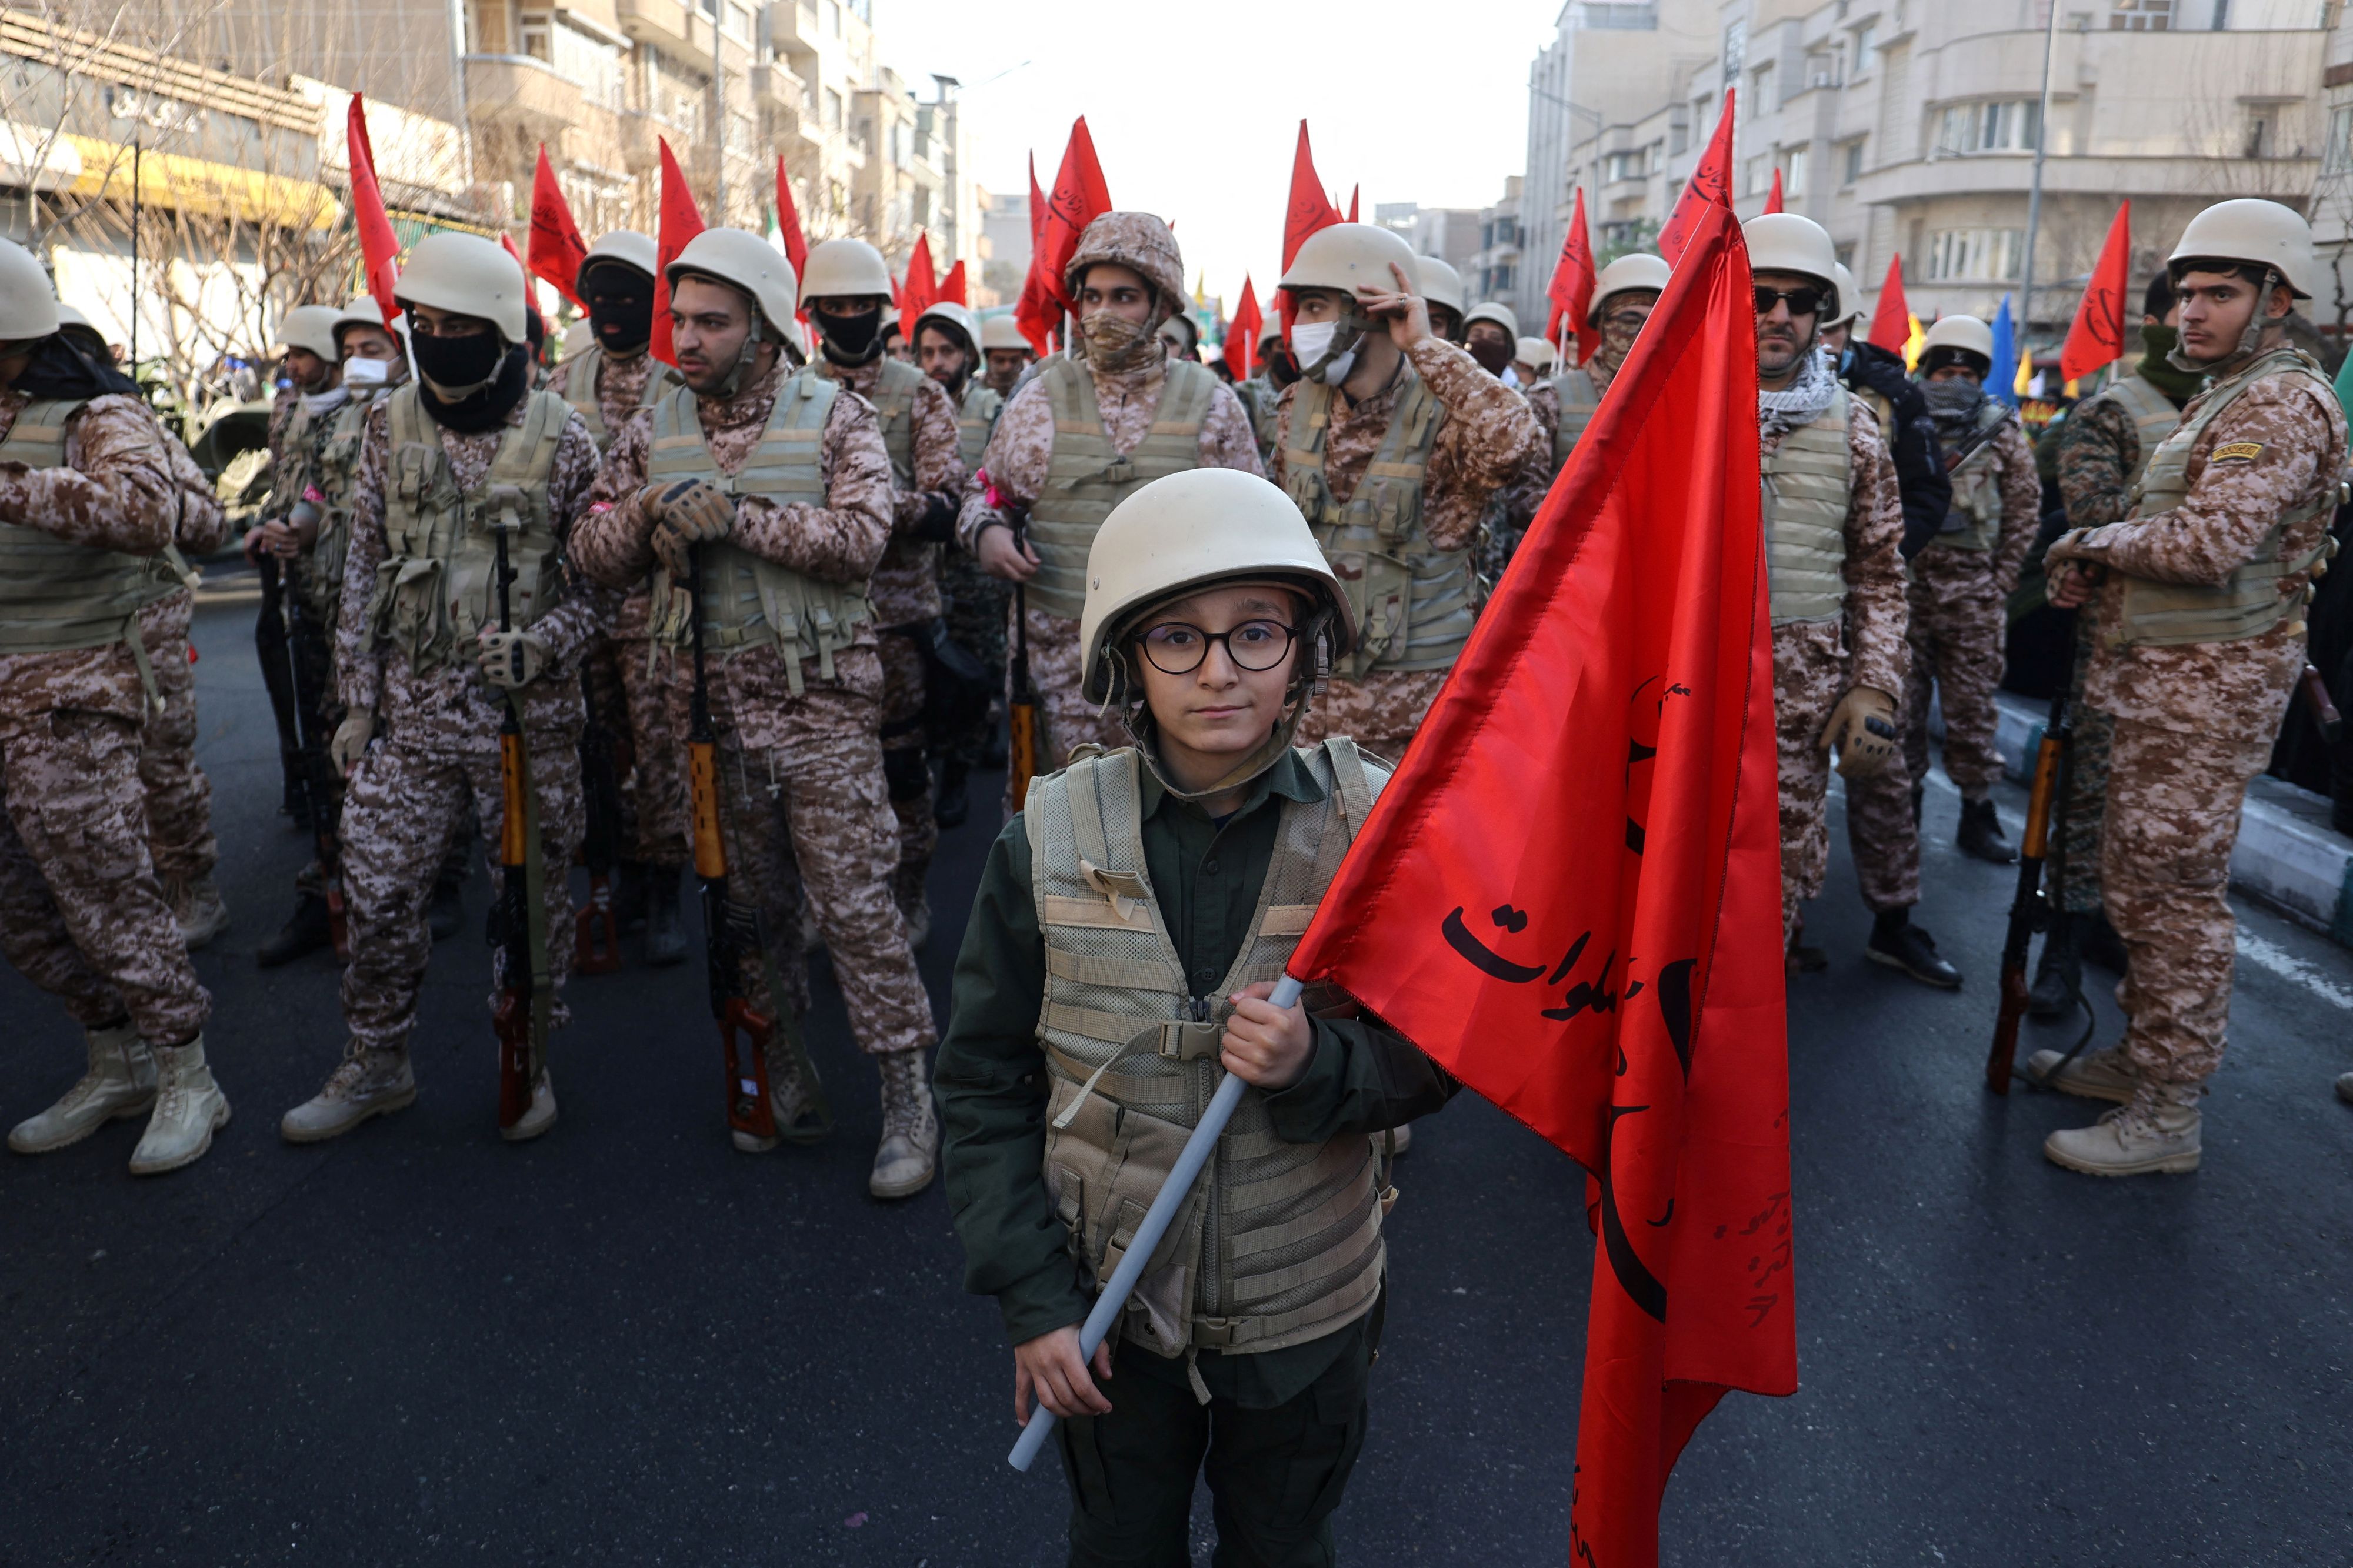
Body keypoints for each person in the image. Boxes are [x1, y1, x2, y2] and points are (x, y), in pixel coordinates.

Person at [936, 466, 1455, 1567]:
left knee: (1285, 1543)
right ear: (1126, 660)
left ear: (1304, 648)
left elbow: (1437, 1049)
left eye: (1255, 633)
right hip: (1109, 1323)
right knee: (1121, 1543)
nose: (1219, 671)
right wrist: (1034, 1301)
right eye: (1178, 638)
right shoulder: (1050, 836)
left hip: (1304, 1312)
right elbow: (981, 1083)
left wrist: (1322, 1061)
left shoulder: (1377, 824)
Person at [571, 228, 941, 1195]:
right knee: (755, 913)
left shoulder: (835, 417)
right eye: (680, 320)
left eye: (711, 322)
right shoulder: (653, 427)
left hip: (820, 714)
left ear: (766, 327)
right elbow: (589, 550)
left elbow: (867, 538)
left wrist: (737, 519)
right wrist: (646, 516)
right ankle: (782, 1067)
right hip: (714, 721)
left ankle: (908, 1094)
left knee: (857, 910)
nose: (685, 340)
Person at [2040, 199, 2348, 1175]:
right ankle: (2143, 1057)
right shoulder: (2230, 394)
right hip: (2172, 683)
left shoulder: (2279, 404)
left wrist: (2089, 539)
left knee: (2171, 897)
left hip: (2209, 692)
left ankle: (2170, 1111)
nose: (2192, 314)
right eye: (2186, 295)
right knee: (2137, 884)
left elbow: (2212, 545)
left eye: (2221, 293)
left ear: (2280, 301)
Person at [280, 233, 609, 1145]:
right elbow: (364, 565)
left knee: (532, 910)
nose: (435, 339)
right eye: (422, 323)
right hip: (413, 718)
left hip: (528, 723)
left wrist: (545, 643)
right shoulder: (389, 425)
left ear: (501, 330)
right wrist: (356, 703)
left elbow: (604, 584)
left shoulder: (564, 436)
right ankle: (377, 1060)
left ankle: (529, 1055)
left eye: (457, 326)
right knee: (380, 894)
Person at [0, 238, 230, 1175]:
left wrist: (15, 489)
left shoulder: (97, 415)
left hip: (74, 687)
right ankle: (116, 1058)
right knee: (22, 908)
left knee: (108, 891)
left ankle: (187, 1071)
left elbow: (148, 515)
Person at [959, 212, 1262, 772]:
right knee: (1059, 836)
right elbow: (985, 496)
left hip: (1181, 669)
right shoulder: (1039, 399)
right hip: (1061, 670)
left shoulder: (1213, 406)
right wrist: (988, 533)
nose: (1102, 314)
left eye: (1123, 297)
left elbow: (1256, 535)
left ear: (1162, 305)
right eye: (1092, 297)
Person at [1271, 221, 1541, 764]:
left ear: (1370, 310)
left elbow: (1517, 445)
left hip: (1417, 720)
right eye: (1302, 307)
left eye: (1319, 307)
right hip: (1306, 713)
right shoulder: (1295, 407)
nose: (1302, 324)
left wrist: (1423, 345)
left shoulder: (1448, 412)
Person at [2025, 272, 2194, 1020]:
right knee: (2087, 800)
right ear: (2157, 322)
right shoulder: (2114, 410)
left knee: (2175, 821)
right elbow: (2092, 518)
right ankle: (2062, 941)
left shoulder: (2251, 407)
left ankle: (2121, 938)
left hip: (2207, 657)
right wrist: (2202, 522)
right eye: (2179, 311)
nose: (2191, 326)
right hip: (2117, 647)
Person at [1744, 214, 1910, 948]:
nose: (1780, 315)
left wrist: (1874, 685)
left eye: (1800, 301)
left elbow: (1880, 573)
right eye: (1762, 296)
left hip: (1795, 710)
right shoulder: (1669, 412)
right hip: (1673, 696)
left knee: (1769, 885)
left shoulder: (1855, 430)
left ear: (1822, 316)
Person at [803, 239, 965, 948]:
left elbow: (947, 507)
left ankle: (908, 895)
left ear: (882, 310)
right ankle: (831, 903)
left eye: (858, 306)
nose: (846, 318)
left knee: (902, 772)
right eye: (833, 308)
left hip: (897, 621)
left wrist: (866, 505)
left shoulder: (917, 394)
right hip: (810, 622)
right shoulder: (790, 394)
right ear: (813, 315)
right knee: (822, 781)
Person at [248, 303, 409, 966]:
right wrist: (294, 526)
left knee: (399, 762)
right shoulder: (339, 420)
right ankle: (333, 890)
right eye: (352, 351)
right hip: (327, 610)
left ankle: (413, 890)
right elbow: (316, 488)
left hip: (398, 624)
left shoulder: (422, 418)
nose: (360, 363)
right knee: (332, 756)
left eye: (375, 347)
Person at [551, 229, 691, 965]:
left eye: (627, 296)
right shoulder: (563, 380)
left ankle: (667, 881)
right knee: (598, 747)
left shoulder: (680, 383)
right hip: (581, 604)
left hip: (653, 606)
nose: (610, 309)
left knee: (659, 748)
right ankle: (622, 876)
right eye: (598, 295)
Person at [1826, 268, 1961, 986]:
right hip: (1778, 610)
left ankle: (1893, 922)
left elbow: (1928, 489)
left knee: (1881, 769)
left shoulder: (1893, 397)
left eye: (1824, 323)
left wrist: (1882, 556)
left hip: (1867, 609)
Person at [1905, 316, 2044, 863]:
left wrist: (2001, 581)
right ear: (1928, 368)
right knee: (1904, 712)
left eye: (1968, 368)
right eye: (1945, 366)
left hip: (1973, 597)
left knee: (1971, 715)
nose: (1955, 376)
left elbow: (2026, 512)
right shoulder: (1901, 424)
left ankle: (1976, 813)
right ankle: (1904, 809)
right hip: (1908, 593)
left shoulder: (2001, 431)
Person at [915, 299, 1005, 831]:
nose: (936, 362)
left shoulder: (994, 410)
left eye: (947, 351)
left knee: (975, 668)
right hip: (918, 563)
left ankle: (958, 771)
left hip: (971, 564)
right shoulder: (905, 405)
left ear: (967, 355)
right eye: (927, 351)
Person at [1550, 253, 1670, 471]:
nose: (1643, 333)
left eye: (1655, 322)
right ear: (1603, 324)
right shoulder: (1553, 399)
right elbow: (1526, 493)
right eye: (1629, 321)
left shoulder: (1684, 398)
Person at [1230, 313, 1291, 466]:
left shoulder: (1319, 396)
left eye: (1295, 346)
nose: (1291, 354)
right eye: (1282, 346)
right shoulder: (1246, 395)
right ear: (1267, 353)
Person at [978, 312, 1035, 397]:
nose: (1007, 367)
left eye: (1014, 360)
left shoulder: (1036, 392)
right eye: (999, 360)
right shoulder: (972, 396)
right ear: (987, 358)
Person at [1460, 301, 1518, 381]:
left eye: (1495, 338)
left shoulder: (1520, 393)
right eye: (1477, 335)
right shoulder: (1443, 385)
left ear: (1508, 350)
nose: (1484, 343)